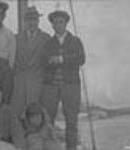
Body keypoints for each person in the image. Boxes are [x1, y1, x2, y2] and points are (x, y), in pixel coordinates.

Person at [40, 10, 86, 150]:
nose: (58, 25)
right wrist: (51, 61)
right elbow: (43, 62)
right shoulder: (48, 43)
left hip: (71, 86)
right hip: (51, 87)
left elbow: (81, 59)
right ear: (52, 25)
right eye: (55, 22)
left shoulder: (76, 41)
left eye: (61, 22)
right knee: (48, 121)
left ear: (66, 23)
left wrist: (61, 59)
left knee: (71, 122)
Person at [11, 6, 50, 116]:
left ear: (38, 21)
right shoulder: (15, 38)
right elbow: (11, 61)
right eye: (28, 20)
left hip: (37, 83)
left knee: (35, 115)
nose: (31, 23)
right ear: (24, 21)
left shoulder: (46, 38)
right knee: (17, 114)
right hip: (19, 83)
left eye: (34, 19)